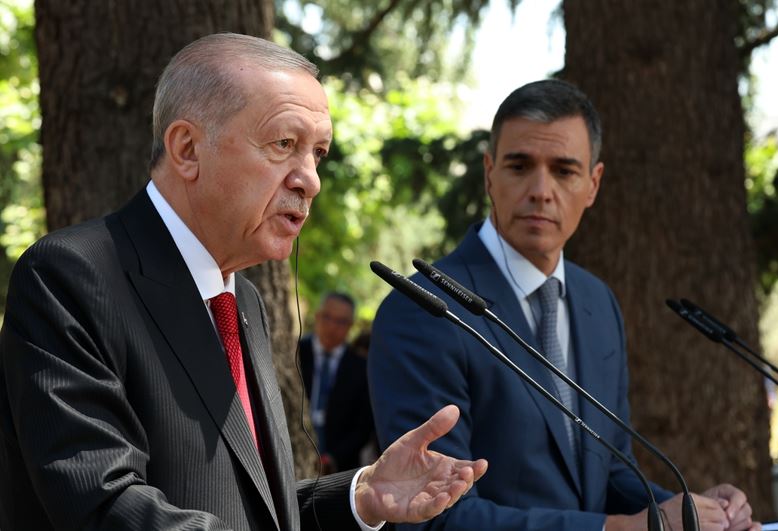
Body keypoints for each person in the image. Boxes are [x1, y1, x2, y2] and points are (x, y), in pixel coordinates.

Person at [0, 33, 486, 531]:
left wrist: (360, 497)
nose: (310, 180)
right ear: (187, 149)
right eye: (284, 144)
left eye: (318, 153)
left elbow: (251, 509)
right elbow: (104, 505)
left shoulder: (242, 301)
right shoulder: (71, 275)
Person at [368, 79, 758, 531]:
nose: (541, 189)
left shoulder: (598, 301)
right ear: (490, 173)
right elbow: (434, 517)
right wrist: (619, 529)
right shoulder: (424, 309)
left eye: (564, 171)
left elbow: (610, 472)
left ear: (593, 184)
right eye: (519, 166)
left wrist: (694, 513)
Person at [298, 292, 374, 472]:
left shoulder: (361, 368)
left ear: (351, 325)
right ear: (317, 316)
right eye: (327, 317)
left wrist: (333, 458)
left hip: (338, 466)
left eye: (341, 321)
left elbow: (363, 425)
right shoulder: (296, 353)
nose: (332, 326)